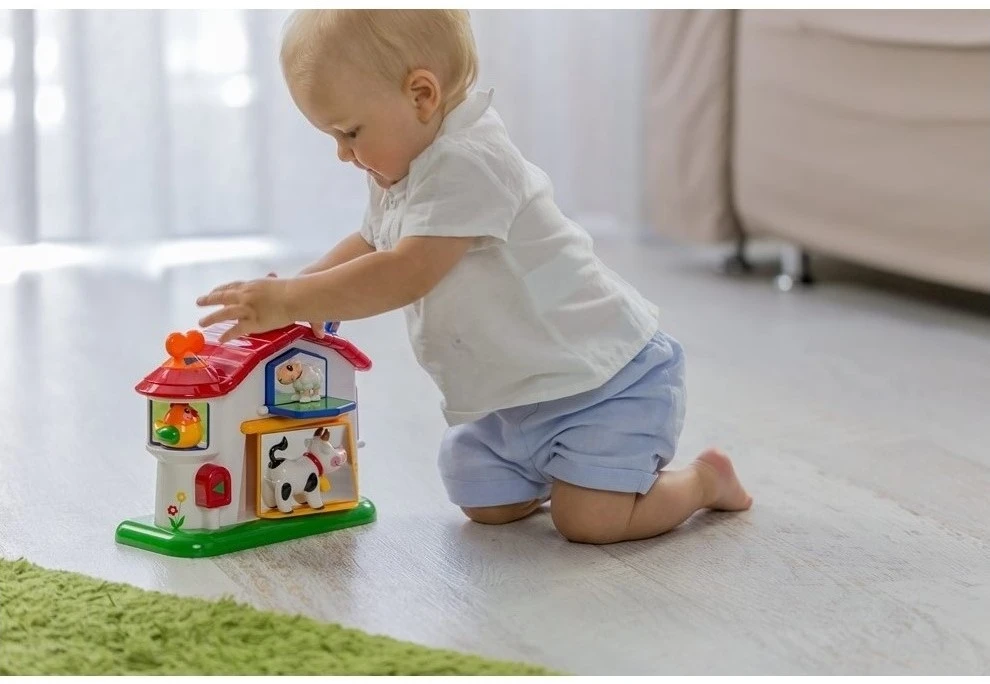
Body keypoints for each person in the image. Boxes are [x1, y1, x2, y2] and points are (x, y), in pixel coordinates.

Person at [196, 9, 752, 545]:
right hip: (518, 396)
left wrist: (291, 298)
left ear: (421, 95)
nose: (344, 154)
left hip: (605, 381)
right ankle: (563, 468)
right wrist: (304, 290)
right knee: (486, 503)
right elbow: (371, 241)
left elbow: (406, 271)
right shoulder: (403, 165)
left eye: (350, 132)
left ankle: (704, 480)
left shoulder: (469, 161)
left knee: (589, 522)